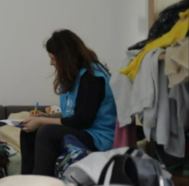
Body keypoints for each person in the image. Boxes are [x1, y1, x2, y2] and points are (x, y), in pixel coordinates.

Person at [19, 29, 117, 177]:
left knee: (46, 132)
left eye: (53, 58)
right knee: (28, 131)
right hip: (83, 130)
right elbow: (73, 114)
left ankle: (42, 184)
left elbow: (81, 121)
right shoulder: (74, 75)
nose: (51, 63)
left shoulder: (93, 77)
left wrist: (41, 121)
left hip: (98, 138)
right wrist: (46, 117)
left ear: (65, 58)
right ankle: (27, 183)